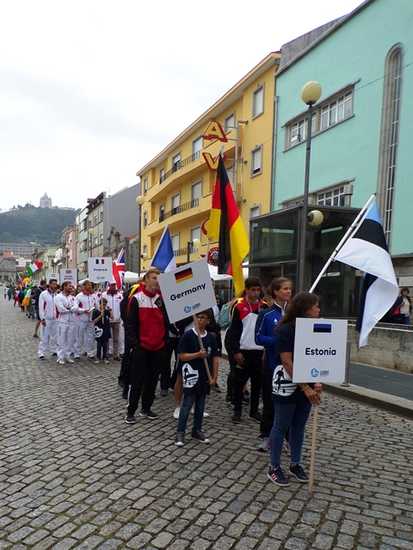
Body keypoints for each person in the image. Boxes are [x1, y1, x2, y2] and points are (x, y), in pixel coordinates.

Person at [267, 292, 323, 486]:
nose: (318, 310)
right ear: (306, 308)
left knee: (299, 426)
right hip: (287, 383)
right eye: (316, 306)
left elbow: (318, 355)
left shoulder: (315, 328)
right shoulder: (286, 330)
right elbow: (286, 361)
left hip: (306, 383)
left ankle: (295, 463)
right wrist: (305, 387)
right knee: (281, 426)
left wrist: (317, 381)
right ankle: (274, 467)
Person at [124, 268, 168, 423]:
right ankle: (131, 411)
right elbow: (130, 325)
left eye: (159, 278)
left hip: (158, 348)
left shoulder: (161, 300)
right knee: (137, 381)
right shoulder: (136, 299)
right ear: (146, 280)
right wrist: (136, 345)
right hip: (141, 348)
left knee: (152, 380)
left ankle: (146, 408)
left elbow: (166, 322)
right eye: (154, 277)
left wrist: (164, 342)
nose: (157, 280)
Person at [255, 277, 292, 452]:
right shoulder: (266, 314)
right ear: (276, 292)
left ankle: (286, 437)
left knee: (288, 402)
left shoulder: (293, 315)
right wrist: (277, 340)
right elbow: (258, 338)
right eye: (284, 289)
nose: (288, 292)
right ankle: (266, 436)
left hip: (291, 366)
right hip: (272, 365)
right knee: (270, 402)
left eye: (290, 289)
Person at [225, 277, 267, 423]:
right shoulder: (238, 306)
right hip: (243, 351)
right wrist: (236, 351)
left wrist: (265, 352)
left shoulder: (265, 307)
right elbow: (234, 332)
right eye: (253, 290)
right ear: (247, 290)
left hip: (259, 352)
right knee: (239, 383)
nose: (256, 293)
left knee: (257, 383)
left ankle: (254, 411)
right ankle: (237, 411)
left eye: (258, 290)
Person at [175, 310, 219, 446]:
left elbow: (215, 358)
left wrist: (214, 377)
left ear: (208, 321)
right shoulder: (188, 336)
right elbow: (181, 356)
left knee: (200, 405)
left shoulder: (211, 337)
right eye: (198, 317)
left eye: (203, 318)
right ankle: (180, 432)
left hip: (204, 376)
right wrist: (197, 355)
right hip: (191, 375)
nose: (200, 320)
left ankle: (197, 430)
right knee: (187, 404)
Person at [73, 280, 97, 360]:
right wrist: (83, 310)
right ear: (84, 286)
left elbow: (96, 306)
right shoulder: (79, 296)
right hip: (81, 319)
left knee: (90, 337)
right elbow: (75, 308)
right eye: (88, 285)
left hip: (91, 320)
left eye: (90, 285)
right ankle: (77, 353)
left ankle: (90, 353)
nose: (90, 287)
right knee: (79, 336)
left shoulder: (93, 296)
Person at [55, 281, 76, 365]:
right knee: (62, 340)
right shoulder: (58, 297)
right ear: (64, 287)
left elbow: (75, 307)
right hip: (62, 321)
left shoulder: (72, 297)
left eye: (71, 286)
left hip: (72, 321)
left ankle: (67, 355)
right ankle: (60, 357)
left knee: (70, 339)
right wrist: (70, 309)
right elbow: (61, 309)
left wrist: (69, 308)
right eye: (69, 286)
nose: (71, 288)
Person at [37, 279, 59, 360]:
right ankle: (41, 352)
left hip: (55, 318)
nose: (55, 286)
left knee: (55, 336)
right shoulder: (43, 294)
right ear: (49, 284)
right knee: (44, 336)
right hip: (47, 318)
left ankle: (54, 350)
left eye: (56, 284)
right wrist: (42, 318)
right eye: (53, 284)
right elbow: (41, 307)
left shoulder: (57, 294)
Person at [102, 282, 122, 360]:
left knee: (116, 339)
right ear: (109, 286)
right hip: (107, 320)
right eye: (112, 285)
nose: (113, 287)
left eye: (114, 285)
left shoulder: (120, 295)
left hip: (117, 320)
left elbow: (122, 307)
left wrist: (120, 316)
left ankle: (115, 354)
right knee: (106, 338)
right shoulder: (104, 294)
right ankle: (106, 354)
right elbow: (101, 305)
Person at [92, 297, 113, 364]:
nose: (103, 306)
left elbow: (112, 317)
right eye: (102, 304)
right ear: (99, 304)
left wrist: (111, 311)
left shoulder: (106, 311)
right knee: (99, 344)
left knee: (105, 344)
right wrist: (100, 316)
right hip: (99, 330)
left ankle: (105, 357)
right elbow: (94, 321)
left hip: (106, 329)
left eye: (105, 304)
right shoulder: (95, 311)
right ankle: (98, 357)